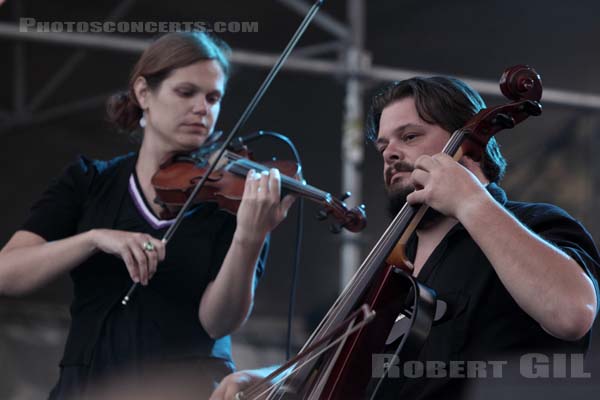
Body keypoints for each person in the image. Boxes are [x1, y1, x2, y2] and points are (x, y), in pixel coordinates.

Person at [209, 76, 600, 400]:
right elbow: (349, 370)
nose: (390, 153)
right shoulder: (392, 266)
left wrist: (471, 201)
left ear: (466, 146)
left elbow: (572, 313)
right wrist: (274, 378)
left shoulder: (534, 224)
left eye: (409, 137)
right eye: (383, 146)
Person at [0, 32, 295, 399]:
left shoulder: (235, 200)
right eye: (186, 92)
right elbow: (7, 274)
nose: (203, 108)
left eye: (213, 97)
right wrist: (93, 238)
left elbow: (217, 322)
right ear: (143, 94)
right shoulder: (91, 181)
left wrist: (249, 238)